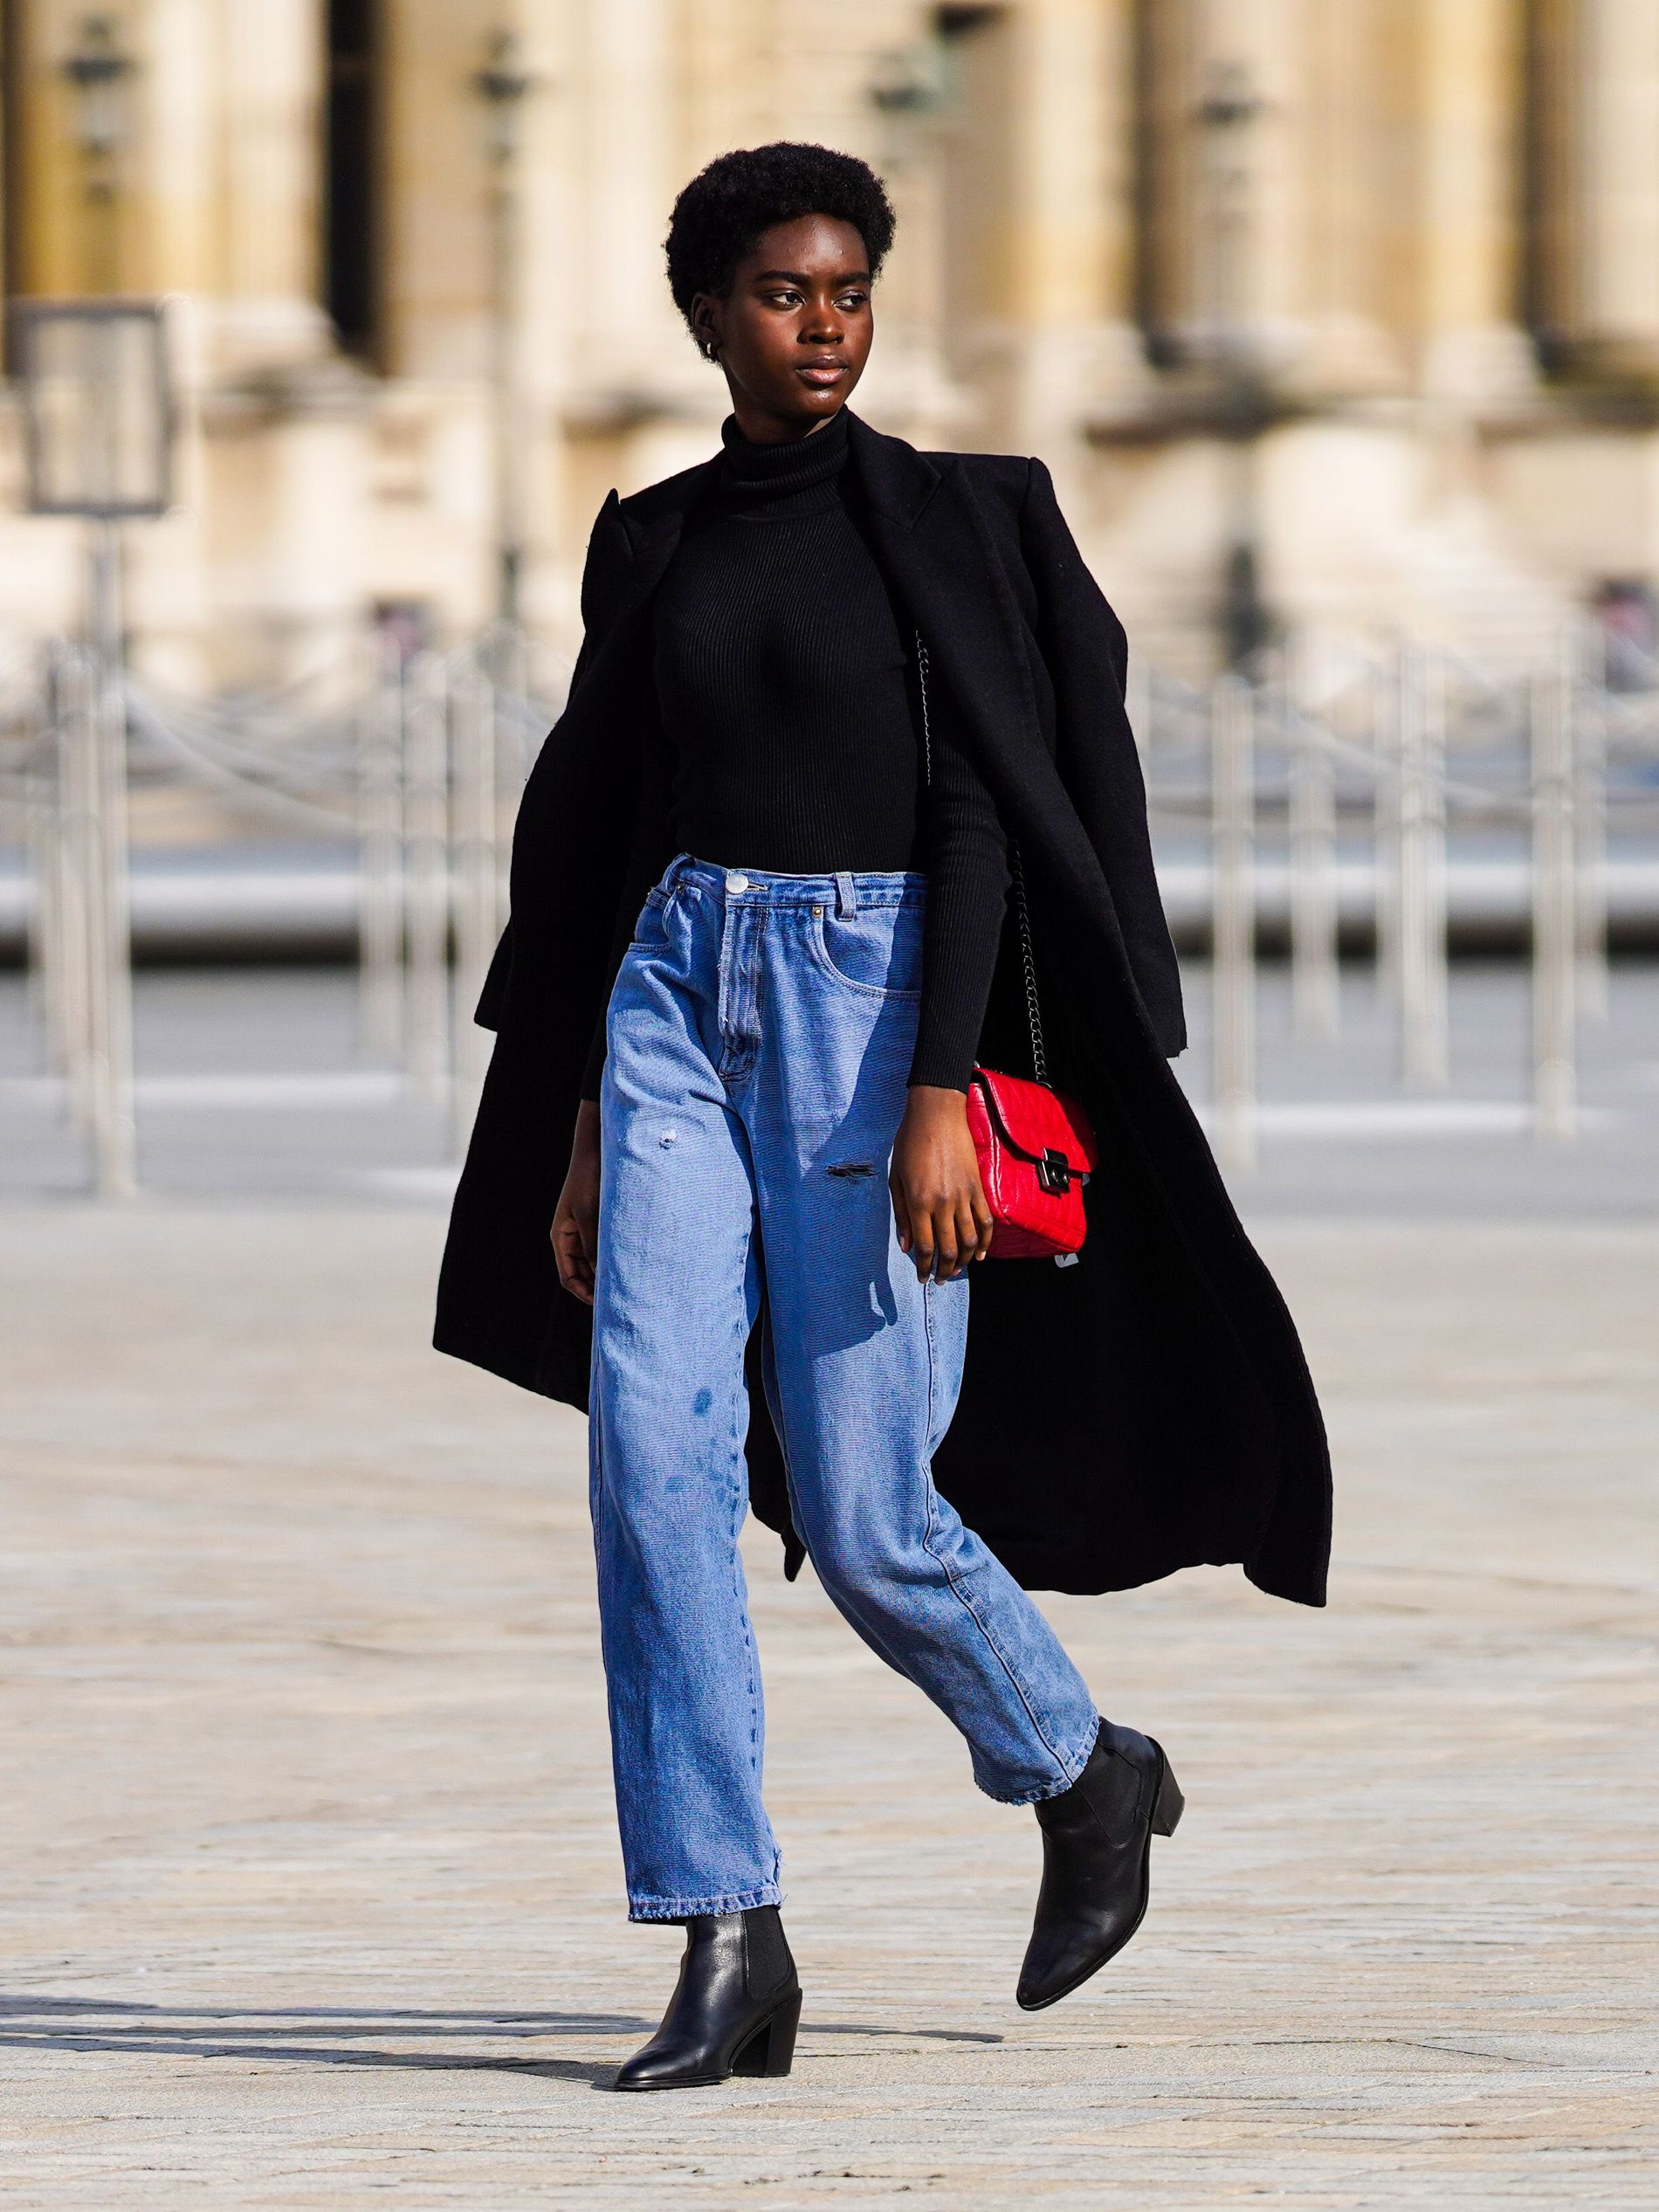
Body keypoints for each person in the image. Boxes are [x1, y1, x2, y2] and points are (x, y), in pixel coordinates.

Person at [435, 142, 1332, 2092]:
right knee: (647, 1475)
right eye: (783, 292)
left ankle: (1082, 1767)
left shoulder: (951, 524)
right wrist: (585, 1109)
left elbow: (980, 815)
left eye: (848, 288)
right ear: (705, 315)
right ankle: (723, 1932)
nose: (824, 322)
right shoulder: (655, 541)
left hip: (875, 1009)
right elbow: (604, 844)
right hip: (672, 995)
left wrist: (938, 1091)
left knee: (863, 1510)